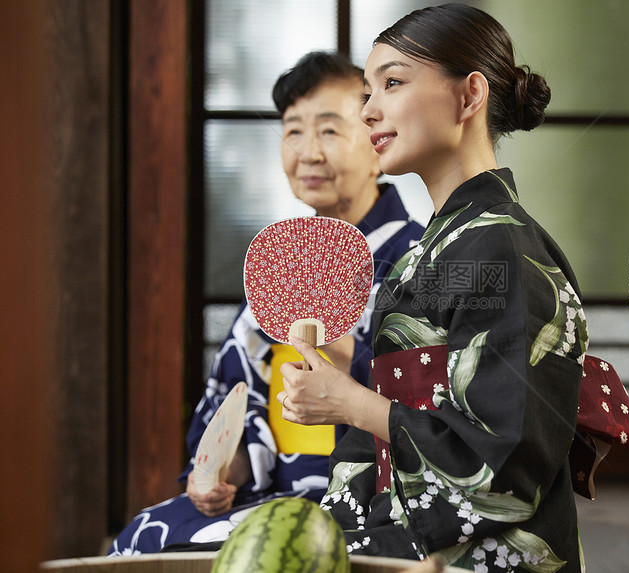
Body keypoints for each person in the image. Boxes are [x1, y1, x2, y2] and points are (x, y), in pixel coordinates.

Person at [280, 5, 588, 572]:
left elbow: (507, 463)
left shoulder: (502, 250)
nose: (369, 110)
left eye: (392, 83)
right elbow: (369, 434)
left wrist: (347, 400)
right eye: (368, 91)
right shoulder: (426, 256)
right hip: (408, 536)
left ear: (470, 97)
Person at [108, 51, 425, 555]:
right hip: (268, 488)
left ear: (376, 144)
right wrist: (223, 469)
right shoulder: (282, 259)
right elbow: (237, 392)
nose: (308, 153)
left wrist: (345, 364)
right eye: (293, 131)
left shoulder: (416, 259)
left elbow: (432, 409)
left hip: (374, 495)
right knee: (146, 536)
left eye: (329, 131)